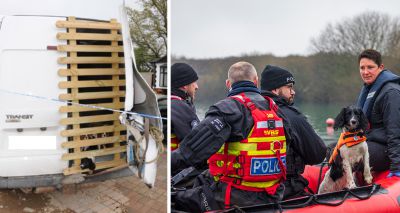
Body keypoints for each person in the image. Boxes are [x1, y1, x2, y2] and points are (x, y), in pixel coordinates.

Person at [172, 61, 287, 212]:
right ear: (256, 81)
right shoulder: (278, 111)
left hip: (232, 198)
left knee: (174, 198)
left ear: (228, 84)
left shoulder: (227, 109)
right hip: (273, 197)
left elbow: (191, 151)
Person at [260, 65, 327, 199]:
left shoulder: (248, 111)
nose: (293, 92)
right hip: (285, 191)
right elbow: (317, 154)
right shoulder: (291, 116)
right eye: (289, 87)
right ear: (275, 89)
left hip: (251, 192)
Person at [356, 49, 400, 178]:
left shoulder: (391, 93)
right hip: (373, 143)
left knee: (349, 154)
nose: (365, 72)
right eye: (362, 68)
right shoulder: (369, 89)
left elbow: (395, 131)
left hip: (388, 150)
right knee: (333, 149)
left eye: (370, 67)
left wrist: (397, 165)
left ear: (381, 67)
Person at [171, 63, 200, 153]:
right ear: (184, 85)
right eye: (194, 83)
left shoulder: (171, 102)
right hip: (179, 165)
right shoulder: (179, 107)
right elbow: (198, 142)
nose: (197, 87)